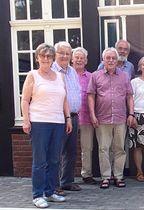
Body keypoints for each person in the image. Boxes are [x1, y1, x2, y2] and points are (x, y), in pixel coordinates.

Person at [21, 43, 72, 208]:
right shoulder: (33, 75)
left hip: (57, 122)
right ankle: (38, 194)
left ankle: (50, 192)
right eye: (43, 56)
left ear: (52, 59)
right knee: (40, 161)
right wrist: (26, 120)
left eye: (49, 56)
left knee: (54, 160)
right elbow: (25, 99)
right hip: (39, 122)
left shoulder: (59, 76)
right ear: (37, 58)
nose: (46, 59)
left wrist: (68, 118)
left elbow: (64, 99)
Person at [88, 47, 135, 189]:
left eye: (113, 58)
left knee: (119, 148)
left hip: (120, 118)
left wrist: (131, 114)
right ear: (103, 60)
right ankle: (106, 177)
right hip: (102, 118)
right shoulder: (95, 76)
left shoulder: (124, 76)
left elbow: (129, 96)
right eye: (108, 58)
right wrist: (92, 114)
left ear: (117, 60)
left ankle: (118, 176)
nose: (111, 60)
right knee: (103, 148)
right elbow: (91, 95)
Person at [52, 41, 81, 194]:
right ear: (55, 54)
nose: (64, 56)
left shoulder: (72, 71)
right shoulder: (51, 71)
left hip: (74, 116)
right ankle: (54, 185)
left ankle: (67, 182)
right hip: (59, 116)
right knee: (56, 152)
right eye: (61, 53)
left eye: (67, 53)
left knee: (70, 151)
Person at [72, 47, 96, 185]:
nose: (79, 60)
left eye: (82, 58)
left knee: (87, 148)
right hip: (69, 117)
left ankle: (86, 174)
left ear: (86, 61)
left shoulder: (91, 77)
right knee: (67, 148)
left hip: (87, 118)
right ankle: (66, 176)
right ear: (72, 59)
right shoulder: (66, 75)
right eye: (77, 57)